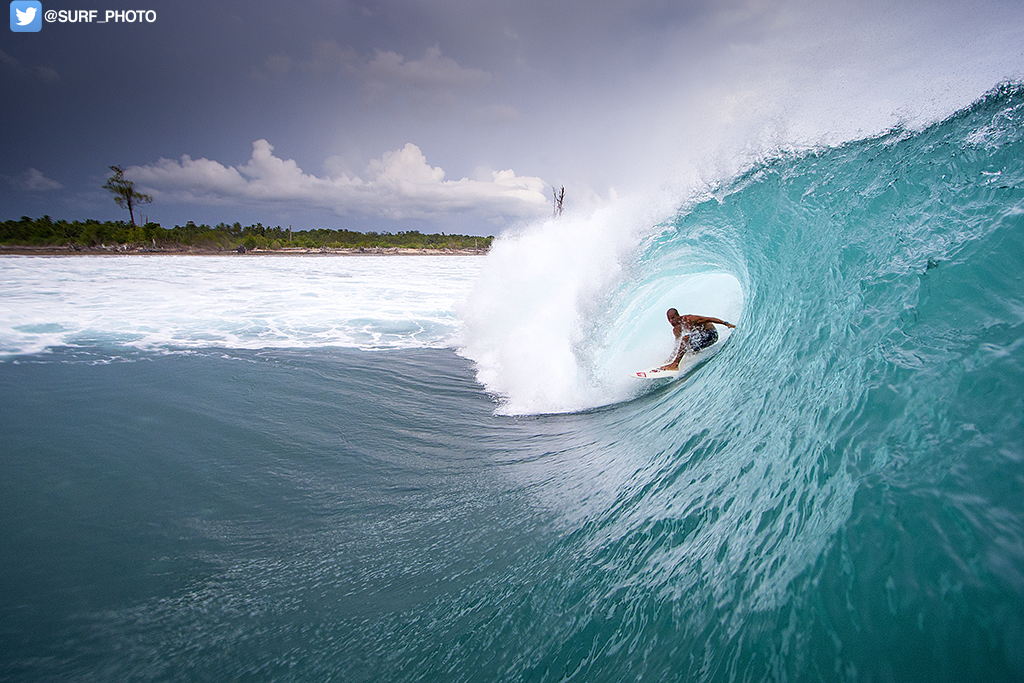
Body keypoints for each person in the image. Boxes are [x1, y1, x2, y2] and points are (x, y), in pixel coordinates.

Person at [660, 308, 735, 371]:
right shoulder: (676, 330)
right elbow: (677, 345)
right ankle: (675, 362)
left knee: (685, 339)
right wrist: (670, 358)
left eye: (673, 318)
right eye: (669, 319)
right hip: (701, 339)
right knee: (687, 348)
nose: (671, 321)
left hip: (711, 335)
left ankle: (675, 364)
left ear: (678, 316)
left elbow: (709, 319)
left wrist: (726, 323)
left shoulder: (690, 319)